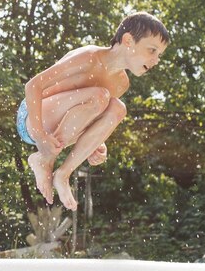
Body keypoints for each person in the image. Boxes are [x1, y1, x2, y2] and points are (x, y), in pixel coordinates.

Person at [17, 11, 169, 211]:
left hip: (57, 132)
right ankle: (44, 158)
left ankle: (63, 174)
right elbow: (33, 86)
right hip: (32, 116)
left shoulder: (121, 83)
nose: (156, 60)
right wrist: (39, 135)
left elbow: (91, 115)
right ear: (128, 40)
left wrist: (96, 143)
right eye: (152, 50)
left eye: (160, 55)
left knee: (117, 108)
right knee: (99, 96)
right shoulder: (89, 58)